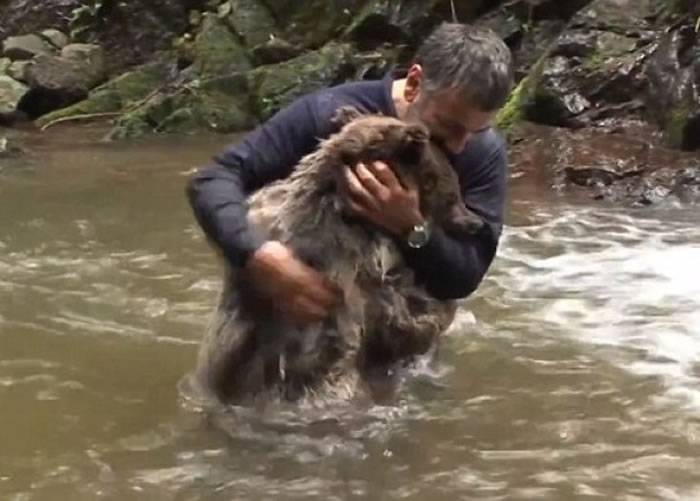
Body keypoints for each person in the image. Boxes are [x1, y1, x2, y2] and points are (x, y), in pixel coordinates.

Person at [186, 22, 513, 328]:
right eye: (449, 127)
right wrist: (257, 256)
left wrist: (411, 228)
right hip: (302, 299)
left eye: (476, 131)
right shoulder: (327, 113)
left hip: (401, 323)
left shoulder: (483, 153)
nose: (459, 147)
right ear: (414, 83)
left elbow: (464, 278)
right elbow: (214, 179)